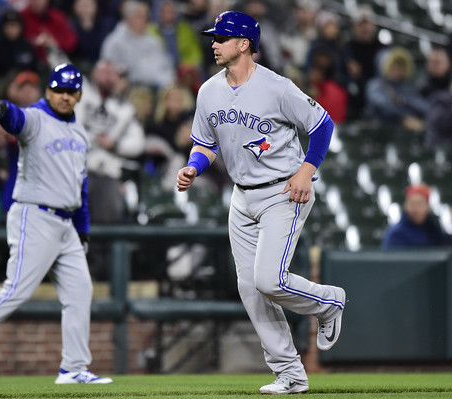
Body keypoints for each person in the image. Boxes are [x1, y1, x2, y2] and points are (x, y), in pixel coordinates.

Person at [176, 11, 346, 394]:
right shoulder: (208, 91)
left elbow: (322, 124)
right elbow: (205, 143)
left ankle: (329, 303)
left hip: (284, 191)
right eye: (214, 37)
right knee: (251, 289)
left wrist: (306, 170)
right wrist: (193, 167)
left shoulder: (277, 87)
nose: (214, 43)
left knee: (269, 279)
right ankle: (290, 373)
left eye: (221, 37)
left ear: (244, 44)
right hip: (242, 197)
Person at [0, 63, 113, 385]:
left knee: (80, 291)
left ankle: (74, 367)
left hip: (66, 224)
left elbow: (82, 186)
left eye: (70, 91)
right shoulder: (36, 117)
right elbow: (15, 118)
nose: (63, 96)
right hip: (35, 215)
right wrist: (2, 109)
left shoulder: (79, 132)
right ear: (49, 90)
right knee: (16, 289)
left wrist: (83, 228)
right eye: (58, 90)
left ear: (78, 95)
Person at [74, 59, 145, 223]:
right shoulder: (80, 93)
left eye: (111, 73)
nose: (107, 76)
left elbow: (138, 143)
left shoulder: (125, 109)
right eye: (103, 71)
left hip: (107, 173)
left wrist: (116, 145)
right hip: (76, 169)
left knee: (107, 227)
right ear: (93, 74)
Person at [100, 0, 175, 89]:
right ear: (128, 18)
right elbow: (110, 70)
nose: (144, 20)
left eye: (146, 17)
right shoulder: (115, 42)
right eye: (139, 16)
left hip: (158, 87)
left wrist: (168, 81)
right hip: (131, 88)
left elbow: (167, 65)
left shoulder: (154, 40)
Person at [365, 46, 429, 132]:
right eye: (394, 68)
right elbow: (381, 105)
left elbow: (422, 106)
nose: (397, 72)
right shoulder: (376, 85)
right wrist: (403, 118)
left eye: (400, 69)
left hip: (403, 135)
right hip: (380, 132)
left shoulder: (405, 88)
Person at [382, 184, 451, 249]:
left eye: (419, 204)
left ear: (428, 207)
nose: (415, 209)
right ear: (405, 206)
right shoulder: (395, 234)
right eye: (412, 204)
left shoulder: (435, 231)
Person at [0, 8, 39, 77]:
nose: (10, 29)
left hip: (25, 84)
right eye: (7, 25)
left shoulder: (27, 47)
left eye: (13, 25)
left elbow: (35, 71)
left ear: (20, 27)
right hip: (1, 85)